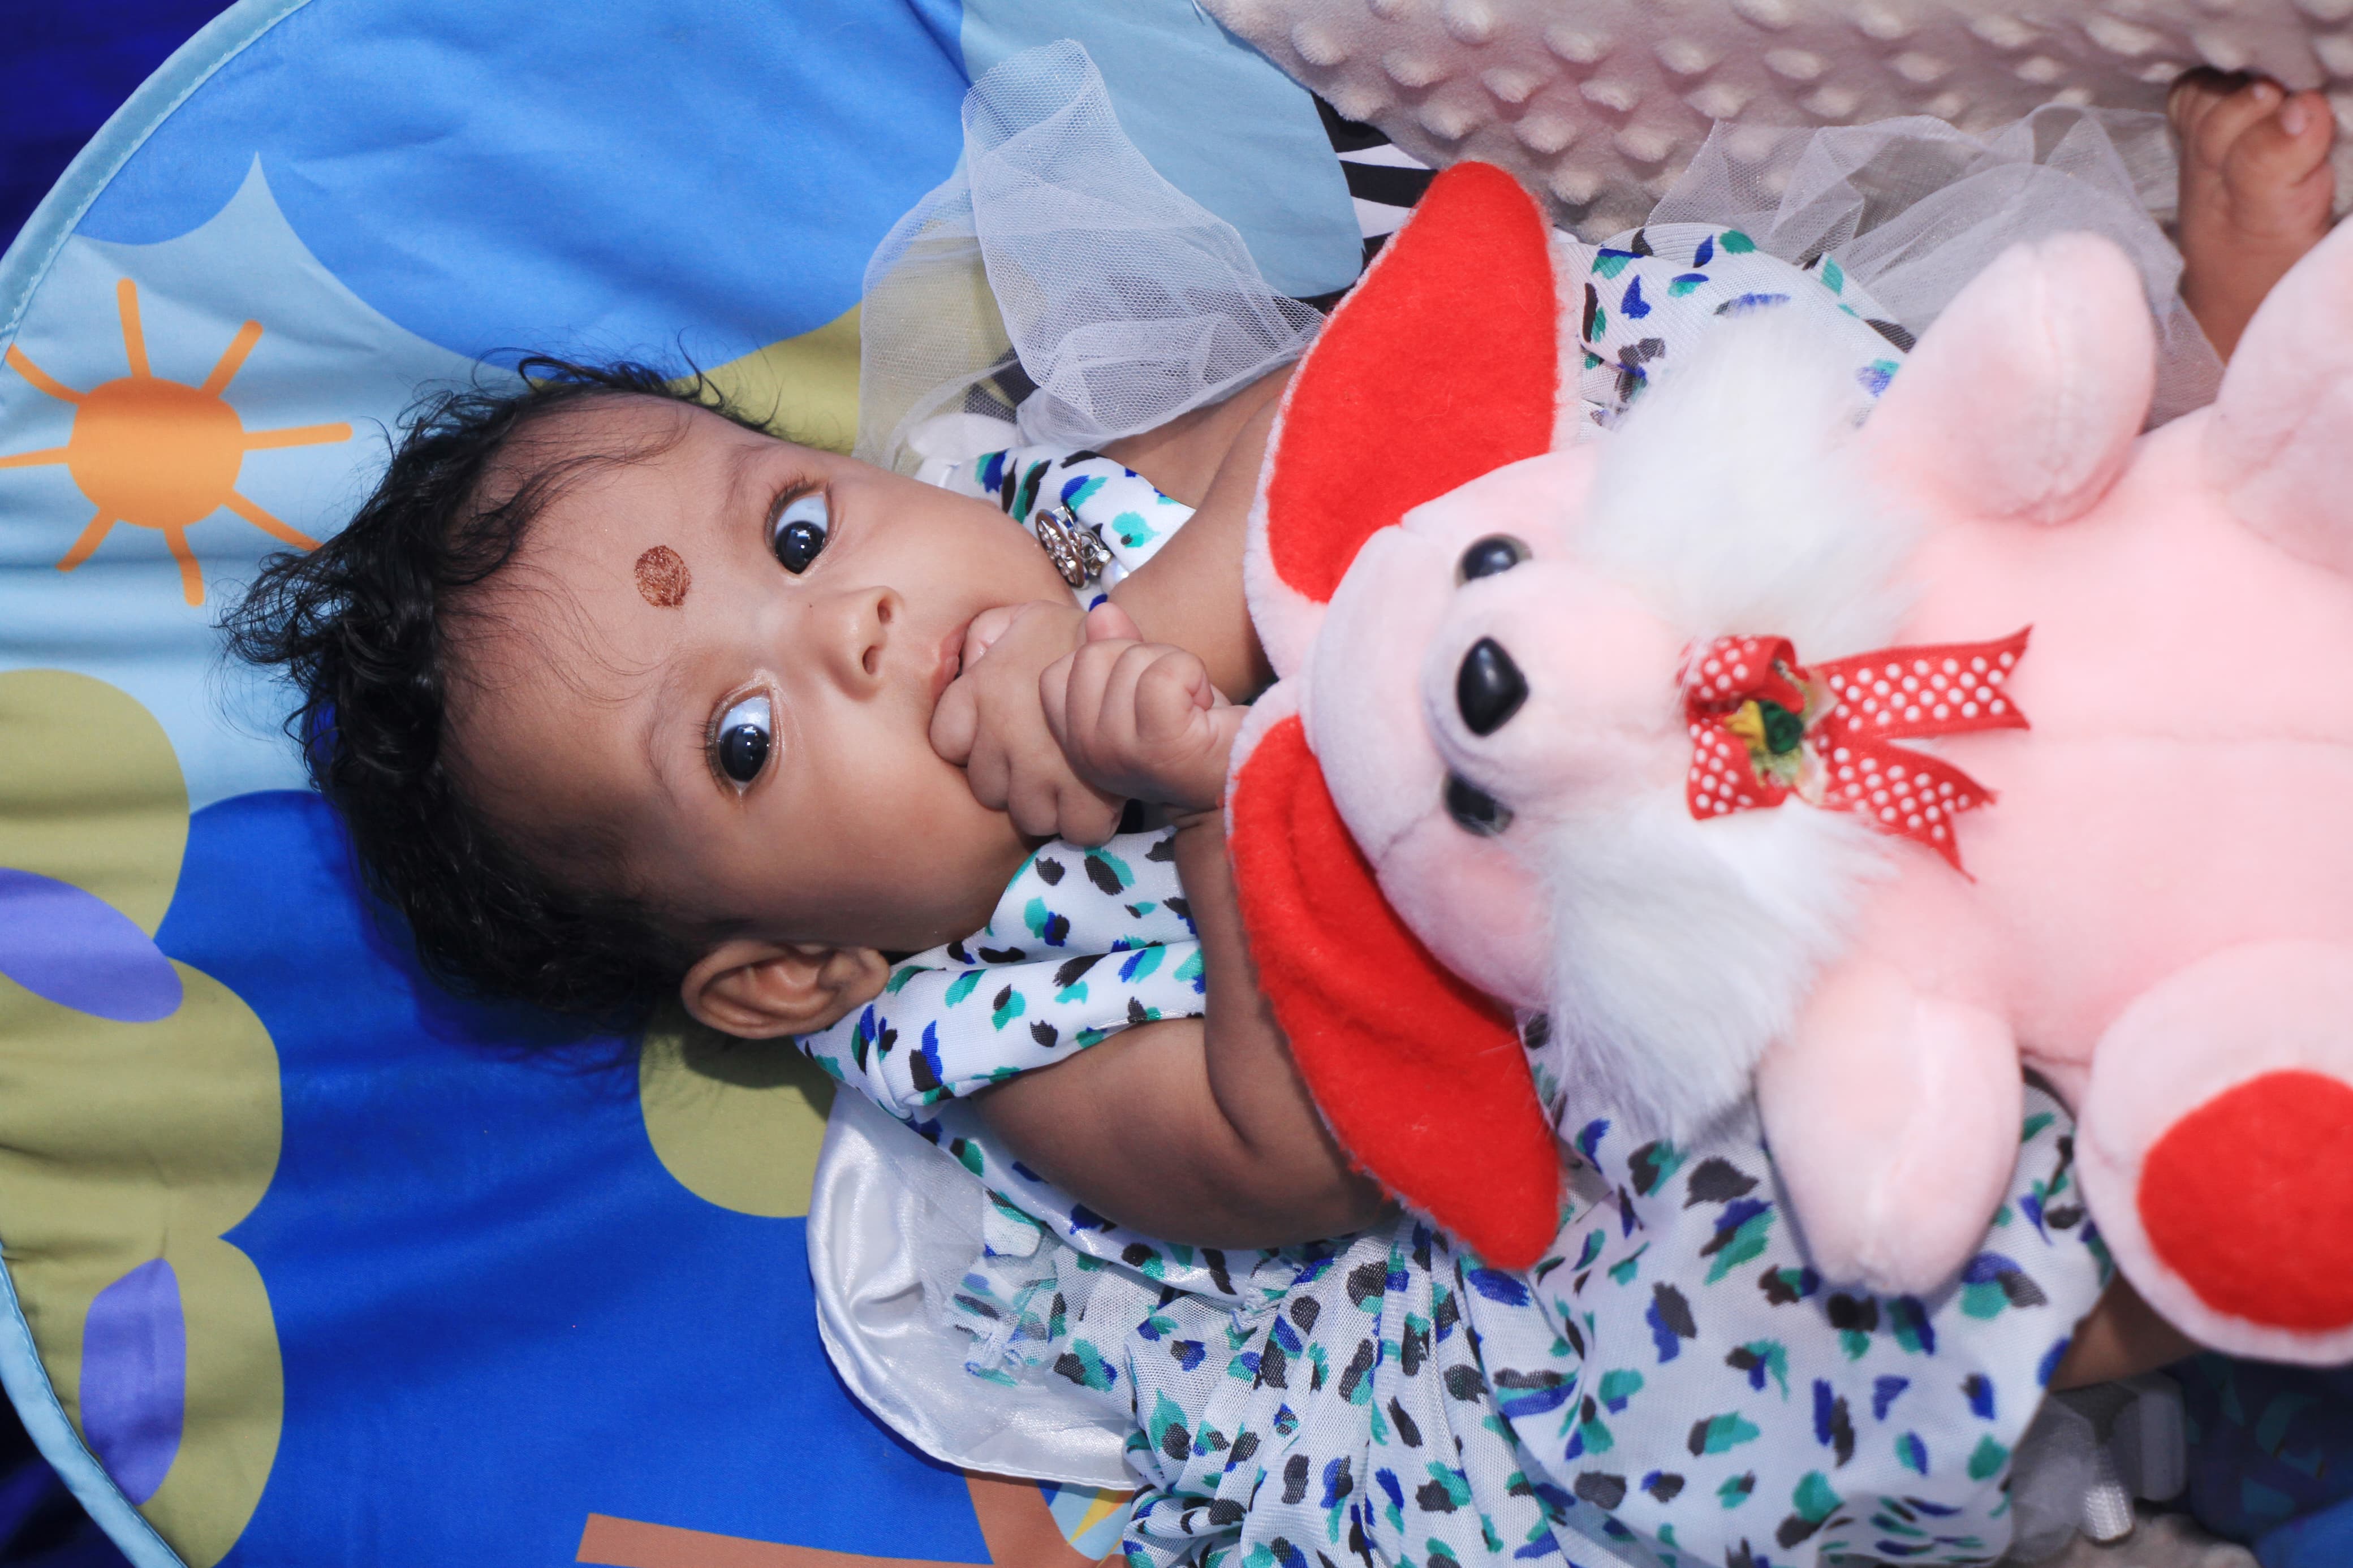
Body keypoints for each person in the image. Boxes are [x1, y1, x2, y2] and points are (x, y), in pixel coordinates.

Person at [226, 42, 2335, 1566]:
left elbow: (1361, 384)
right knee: (1780, 1293)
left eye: (794, 535)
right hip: (1561, 1142)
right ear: (791, 969)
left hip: (1650, 691)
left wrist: (1167, 609)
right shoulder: (986, 1012)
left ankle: (2212, 470)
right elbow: (1295, 1153)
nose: (848, 630)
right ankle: (2203, 1239)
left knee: (1700, 420)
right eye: (744, 745)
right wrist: (1217, 796)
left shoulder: (1041, 506)